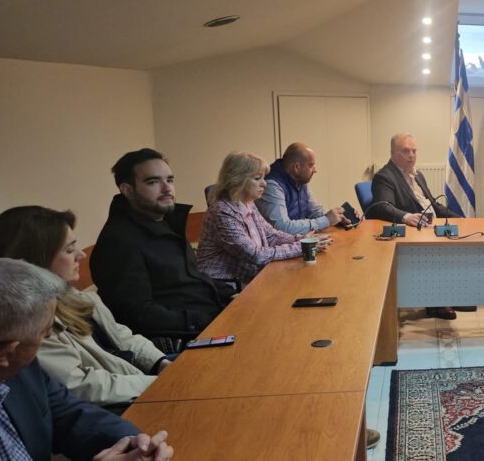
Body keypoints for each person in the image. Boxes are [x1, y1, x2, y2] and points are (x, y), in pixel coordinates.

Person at [0, 258, 174, 461]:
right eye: (43, 331)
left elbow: (71, 415)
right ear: (6, 354)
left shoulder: (23, 371)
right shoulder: (21, 364)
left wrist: (134, 444)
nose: (50, 335)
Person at [0, 207, 170, 409]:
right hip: (116, 400)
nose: (81, 255)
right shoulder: (31, 325)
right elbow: (81, 385)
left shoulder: (76, 295)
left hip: (135, 379)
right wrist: (157, 382)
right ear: (35, 261)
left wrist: (160, 363)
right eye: (69, 250)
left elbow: (122, 336)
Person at [91, 149, 230, 353]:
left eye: (170, 180)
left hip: (209, 319)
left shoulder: (163, 220)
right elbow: (136, 313)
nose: (167, 188)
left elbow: (191, 279)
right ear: (127, 190)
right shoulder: (119, 242)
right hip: (184, 339)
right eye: (153, 182)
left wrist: (232, 296)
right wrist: (207, 320)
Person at [371, 133, 466, 320]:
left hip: (430, 226)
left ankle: (452, 294)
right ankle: (436, 302)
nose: (411, 156)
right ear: (392, 153)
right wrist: (406, 217)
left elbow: (433, 205)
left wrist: (461, 219)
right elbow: (383, 207)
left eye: (414, 151)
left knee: (460, 241)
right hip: (412, 232)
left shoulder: (418, 175)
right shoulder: (384, 176)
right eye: (405, 151)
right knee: (443, 249)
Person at [197, 152, 326, 287]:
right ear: (237, 179)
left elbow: (271, 236)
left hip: (251, 279)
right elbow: (256, 255)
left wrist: (303, 239)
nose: (264, 184)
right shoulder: (222, 212)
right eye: (257, 178)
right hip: (225, 288)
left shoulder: (248, 203)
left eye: (263, 178)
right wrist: (301, 247)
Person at [256, 142, 352, 235]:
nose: (315, 170)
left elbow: (313, 211)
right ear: (296, 167)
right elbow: (282, 227)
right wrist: (326, 220)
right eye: (311, 165)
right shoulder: (272, 185)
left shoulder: (298, 178)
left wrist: (337, 217)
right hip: (282, 243)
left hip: (300, 239)